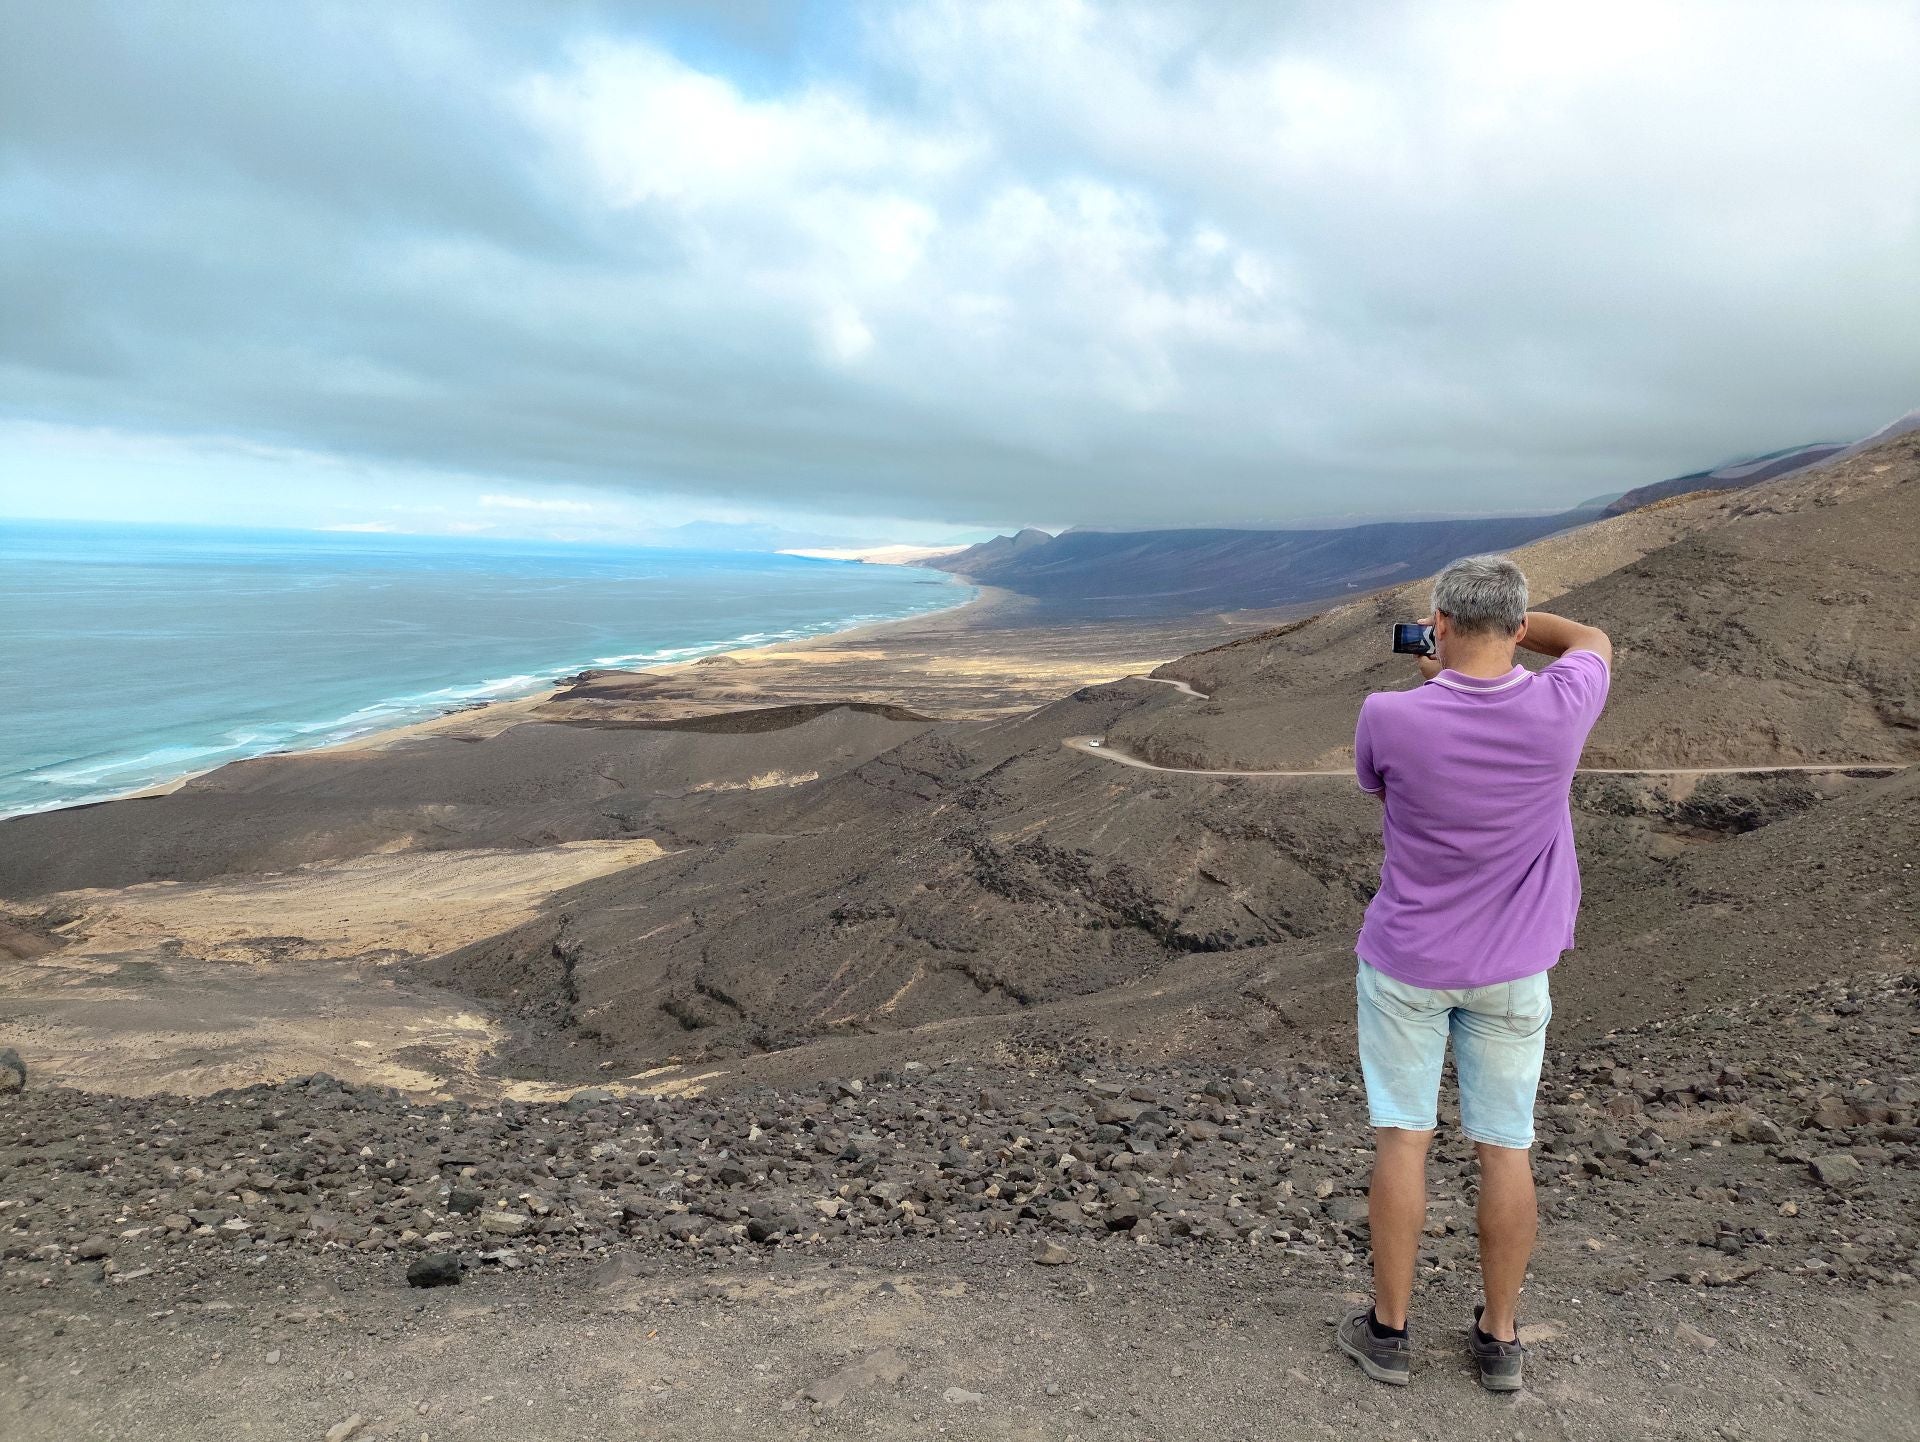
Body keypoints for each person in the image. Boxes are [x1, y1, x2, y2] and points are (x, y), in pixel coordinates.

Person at [1335, 554, 1612, 1392]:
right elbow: (1593, 638)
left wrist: (1440, 672)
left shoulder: (1390, 713)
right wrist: (1514, 628)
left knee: (1403, 1139)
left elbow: (1382, 788)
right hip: (1514, 969)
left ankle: (1388, 1332)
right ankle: (1499, 1338)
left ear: (1440, 625)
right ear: (1522, 631)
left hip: (1409, 961)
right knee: (1505, 1147)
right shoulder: (1563, 705)